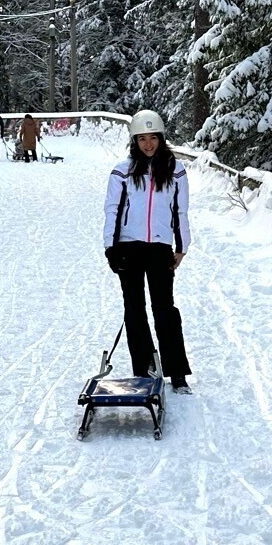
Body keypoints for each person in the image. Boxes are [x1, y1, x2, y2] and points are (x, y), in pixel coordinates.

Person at [103, 109, 193, 391]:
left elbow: (181, 209)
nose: (148, 144)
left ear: (161, 138)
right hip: (129, 247)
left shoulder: (175, 170)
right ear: (134, 141)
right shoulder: (123, 170)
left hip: (160, 247)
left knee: (165, 308)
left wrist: (182, 245)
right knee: (134, 308)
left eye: (153, 137)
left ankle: (176, 373)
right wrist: (111, 248)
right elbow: (112, 210)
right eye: (142, 138)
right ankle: (144, 369)